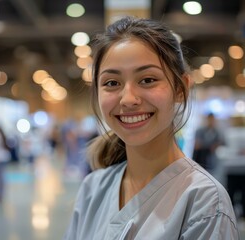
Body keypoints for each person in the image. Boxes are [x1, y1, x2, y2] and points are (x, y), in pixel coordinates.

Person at [64, 16, 239, 239]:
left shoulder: (204, 202)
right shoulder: (93, 188)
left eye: (147, 80)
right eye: (112, 83)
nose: (128, 99)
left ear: (180, 89)